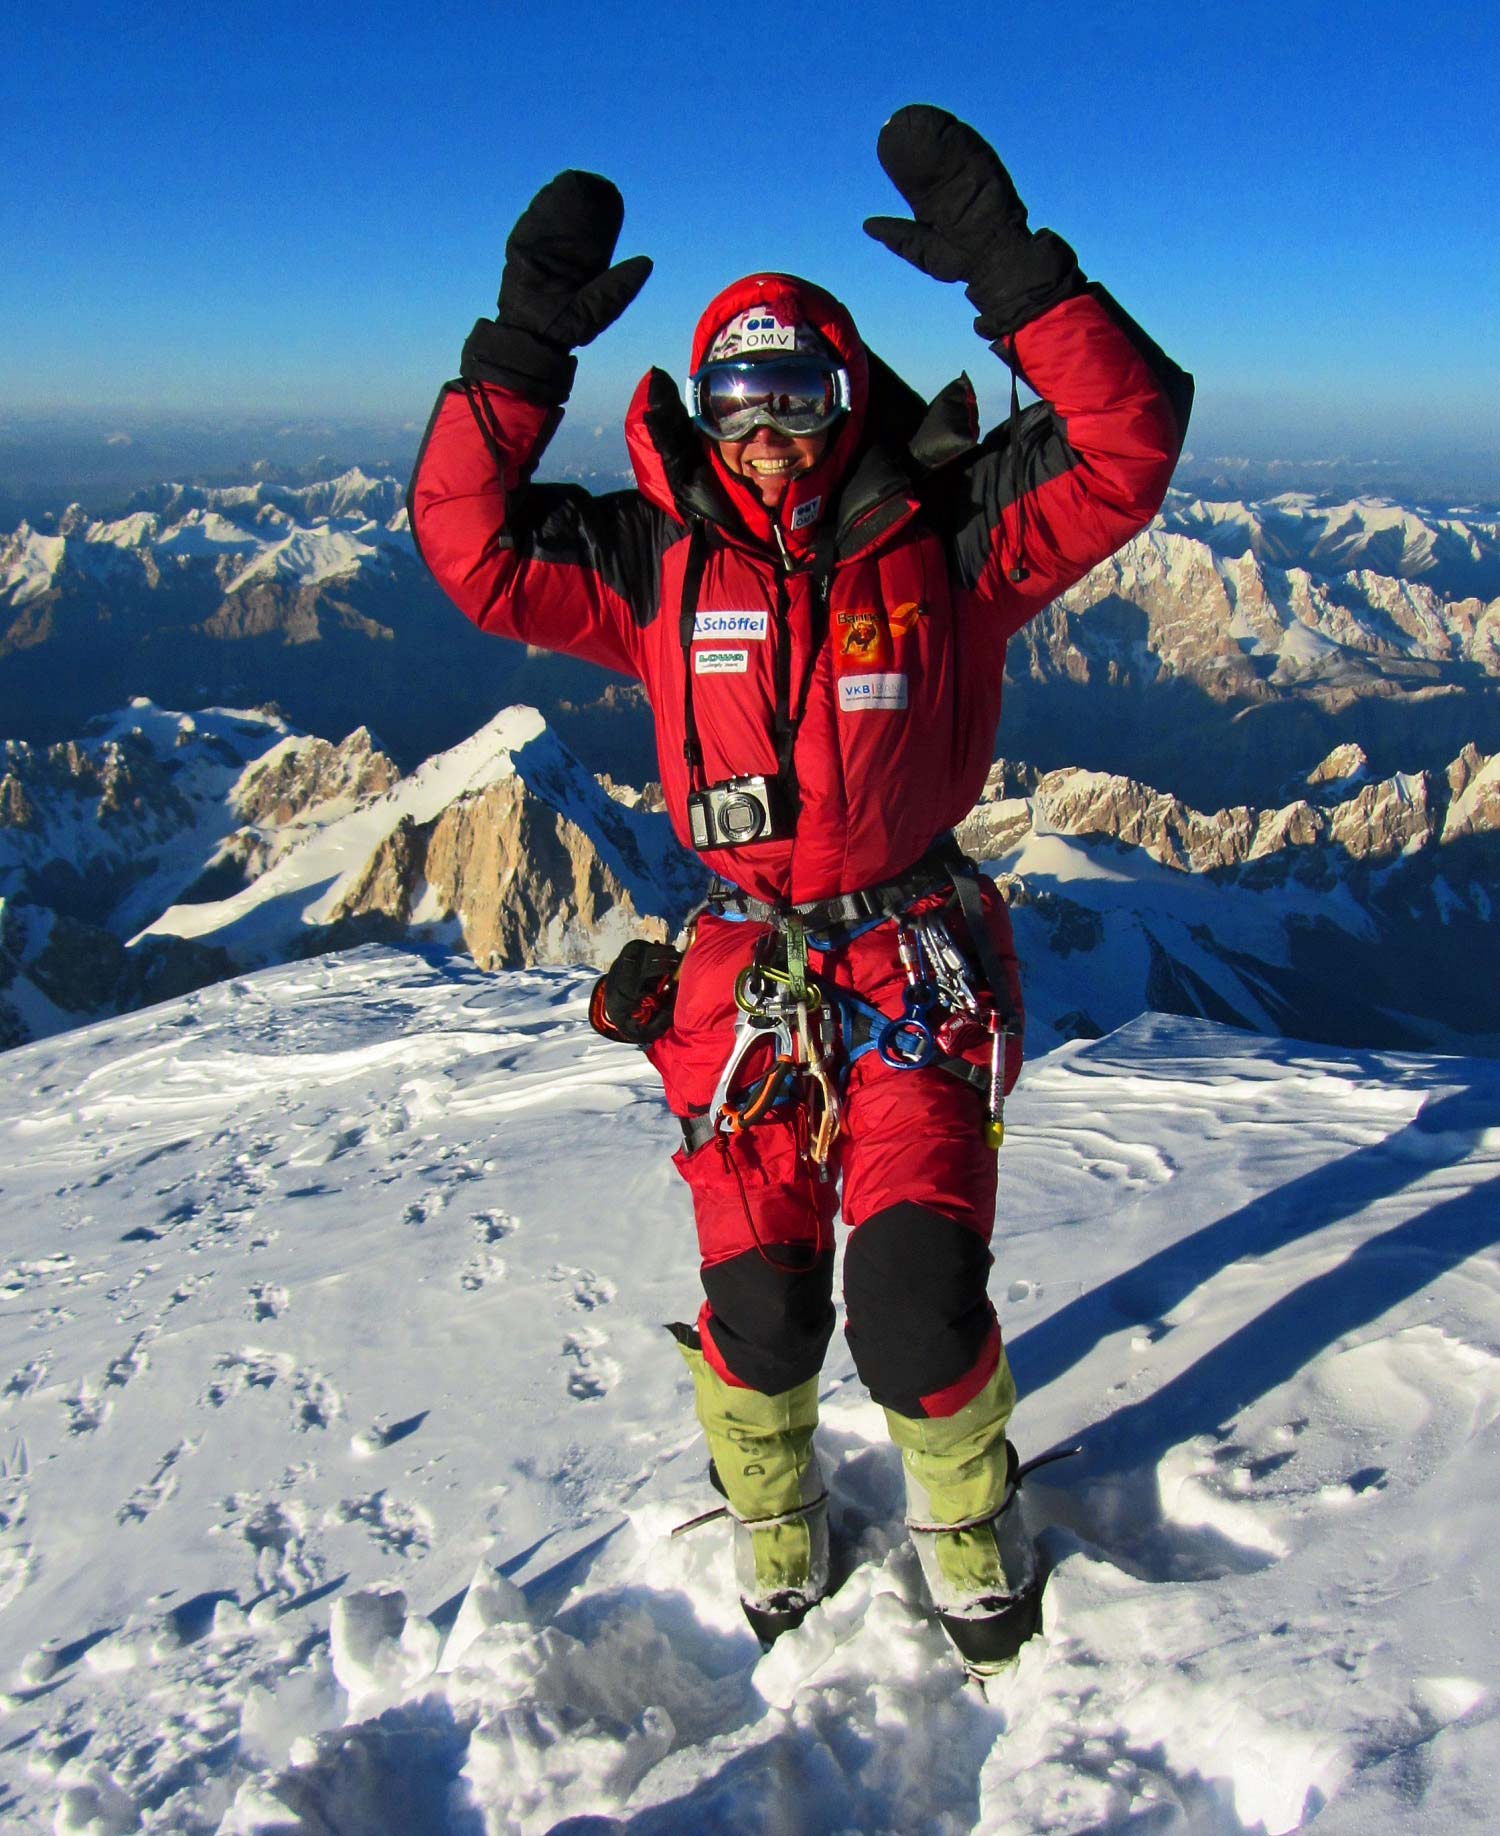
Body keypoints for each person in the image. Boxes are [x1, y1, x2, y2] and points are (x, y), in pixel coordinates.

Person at [408, 105, 1192, 1674]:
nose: (768, 429)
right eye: (740, 396)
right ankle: (777, 1524)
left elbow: (1126, 440)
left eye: (798, 393)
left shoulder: (950, 533)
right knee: (760, 1313)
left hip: (911, 967)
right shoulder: (653, 557)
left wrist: (1013, 272)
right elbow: (471, 544)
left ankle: (971, 1537)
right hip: (745, 983)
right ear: (705, 412)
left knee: (909, 1305)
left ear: (844, 399)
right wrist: (518, 354)